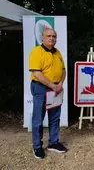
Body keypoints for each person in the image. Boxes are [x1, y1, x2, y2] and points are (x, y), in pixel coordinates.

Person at [29, 28, 67, 159]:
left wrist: (60, 84)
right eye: (49, 36)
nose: (52, 38)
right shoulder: (37, 51)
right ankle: (37, 146)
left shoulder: (57, 53)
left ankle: (53, 142)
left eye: (54, 36)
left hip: (56, 88)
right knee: (38, 118)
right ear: (43, 38)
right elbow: (36, 73)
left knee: (55, 116)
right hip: (41, 88)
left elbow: (63, 70)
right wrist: (52, 85)